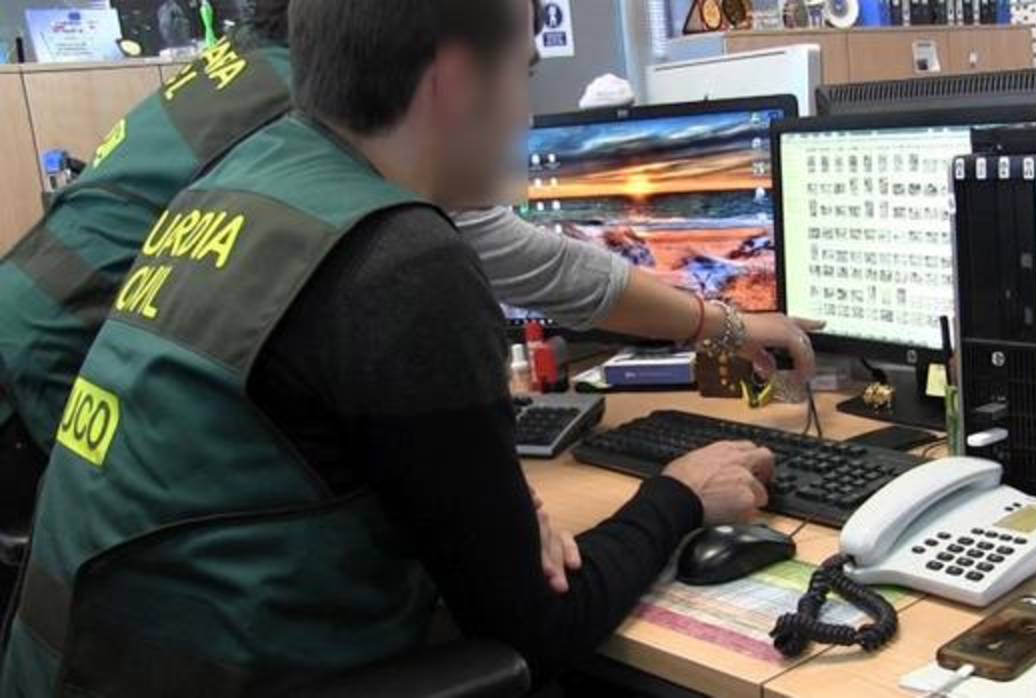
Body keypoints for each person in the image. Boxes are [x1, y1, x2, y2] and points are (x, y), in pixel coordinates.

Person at [0, 0, 776, 695]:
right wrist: (679, 497)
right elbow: (538, 630)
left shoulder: (247, 175)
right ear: (455, 80)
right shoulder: (403, 263)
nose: (527, 113)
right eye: (525, 72)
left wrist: (497, 509)